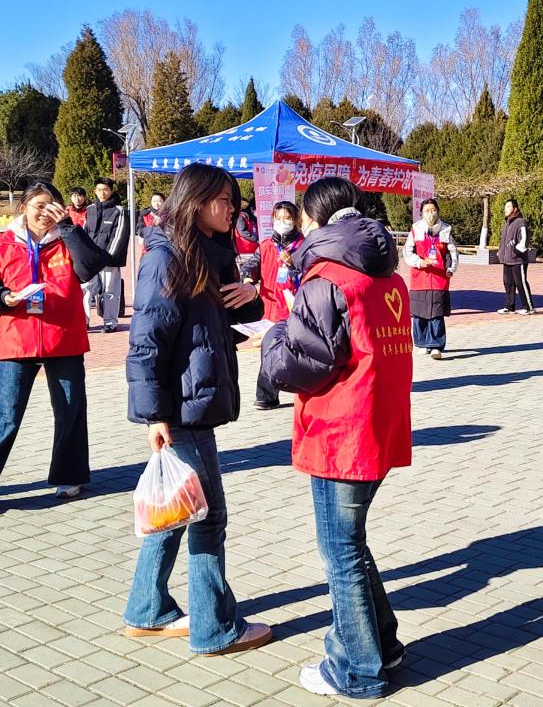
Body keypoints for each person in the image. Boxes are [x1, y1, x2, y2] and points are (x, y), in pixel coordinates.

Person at [261, 177, 412, 698]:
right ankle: (383, 645)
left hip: (340, 430)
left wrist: (273, 337)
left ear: (312, 219)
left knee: (340, 553)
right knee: (351, 545)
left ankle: (357, 670)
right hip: (377, 422)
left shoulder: (327, 276)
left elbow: (305, 361)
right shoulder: (388, 275)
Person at [122, 162, 271, 656]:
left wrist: (252, 294)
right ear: (197, 201)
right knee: (208, 516)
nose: (232, 210)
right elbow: (146, 343)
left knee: (179, 505)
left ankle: (147, 609)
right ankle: (215, 629)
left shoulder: (208, 252)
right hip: (180, 410)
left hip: (196, 401)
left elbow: (227, 317)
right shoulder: (167, 259)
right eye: (224, 200)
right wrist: (155, 416)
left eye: (234, 201)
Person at [0, 181, 110, 499]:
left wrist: (68, 227)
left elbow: (90, 267)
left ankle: (70, 475)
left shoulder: (67, 238)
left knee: (69, 409)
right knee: (6, 415)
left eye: (52, 207)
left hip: (63, 337)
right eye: (39, 207)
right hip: (16, 338)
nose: (45, 214)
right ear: (23, 208)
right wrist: (6, 297)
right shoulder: (5, 242)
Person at [251, 200, 304, 409]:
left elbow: (308, 272)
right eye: (278, 218)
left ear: (296, 220)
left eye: (287, 218)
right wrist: (247, 278)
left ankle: (303, 392)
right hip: (270, 308)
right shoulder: (265, 245)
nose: (282, 222)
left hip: (294, 308)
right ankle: (266, 396)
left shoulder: (303, 246)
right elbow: (253, 265)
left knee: (295, 353)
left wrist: (292, 265)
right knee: (268, 351)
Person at [403, 198, 458, 359]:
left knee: (436, 313)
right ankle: (422, 343)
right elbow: (407, 252)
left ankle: (436, 345)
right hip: (420, 278)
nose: (430, 214)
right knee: (419, 312)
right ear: (421, 213)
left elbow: (453, 253)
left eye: (433, 210)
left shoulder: (446, 230)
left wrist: (451, 268)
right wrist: (419, 262)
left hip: (439, 278)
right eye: (427, 211)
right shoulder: (415, 230)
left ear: (438, 211)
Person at [83, 177, 130, 332]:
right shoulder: (90, 209)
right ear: (94, 191)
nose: (102, 193)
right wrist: (85, 254)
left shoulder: (119, 211)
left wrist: (108, 256)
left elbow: (119, 236)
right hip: (91, 258)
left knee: (110, 291)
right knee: (86, 289)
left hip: (109, 260)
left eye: (105, 190)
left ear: (111, 191)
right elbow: (85, 232)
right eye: (99, 190)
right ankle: (84, 321)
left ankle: (110, 322)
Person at [497, 198, 535, 315]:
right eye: (505, 207)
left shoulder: (520, 222)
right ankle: (509, 307)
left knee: (520, 283)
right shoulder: (507, 223)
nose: (505, 209)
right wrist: (501, 252)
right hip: (507, 260)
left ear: (515, 209)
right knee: (508, 283)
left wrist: (516, 251)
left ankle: (528, 307)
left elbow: (524, 239)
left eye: (508, 207)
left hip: (518, 259)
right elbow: (504, 241)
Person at [136, 192, 166, 256]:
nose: (156, 203)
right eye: (154, 201)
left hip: (164, 248)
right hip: (148, 248)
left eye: (159, 201)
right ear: (151, 202)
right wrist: (153, 229)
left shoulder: (168, 215)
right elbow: (140, 230)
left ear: (164, 202)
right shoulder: (145, 214)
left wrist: (161, 224)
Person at [234, 198, 259, 273]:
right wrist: (256, 239)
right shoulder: (241, 217)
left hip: (254, 249)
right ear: (252, 208)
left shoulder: (252, 218)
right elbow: (242, 232)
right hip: (244, 250)